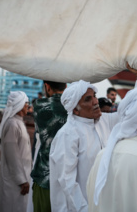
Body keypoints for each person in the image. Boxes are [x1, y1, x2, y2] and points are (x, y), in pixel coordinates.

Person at [49, 80, 119, 212]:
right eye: (88, 99)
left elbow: (132, 115)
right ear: (75, 109)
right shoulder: (68, 134)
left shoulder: (103, 121)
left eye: (94, 96)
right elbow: (67, 180)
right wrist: (84, 209)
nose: (95, 102)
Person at [31, 81, 67, 212]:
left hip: (45, 177)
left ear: (47, 87)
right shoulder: (74, 106)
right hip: (69, 178)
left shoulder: (39, 106)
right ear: (66, 86)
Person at [0, 91, 32, 212]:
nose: (28, 106)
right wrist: (22, 180)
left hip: (23, 176)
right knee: (13, 206)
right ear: (19, 105)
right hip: (15, 180)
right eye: (26, 103)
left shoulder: (18, 122)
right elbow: (12, 155)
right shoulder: (12, 124)